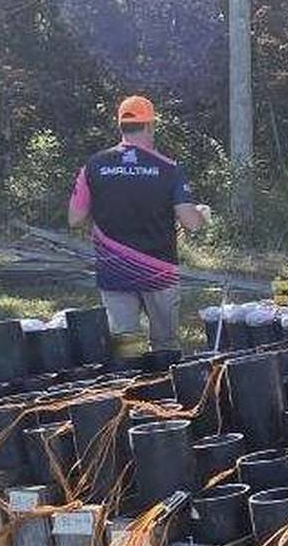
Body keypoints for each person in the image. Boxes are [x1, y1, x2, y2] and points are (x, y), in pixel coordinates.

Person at [67, 95, 210, 353]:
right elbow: (191, 223)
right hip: (160, 270)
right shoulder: (169, 169)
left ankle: (131, 389)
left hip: (114, 270)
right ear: (150, 125)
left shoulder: (94, 165)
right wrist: (201, 214)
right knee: (165, 346)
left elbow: (75, 218)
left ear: (120, 126)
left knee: (126, 346)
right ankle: (167, 388)